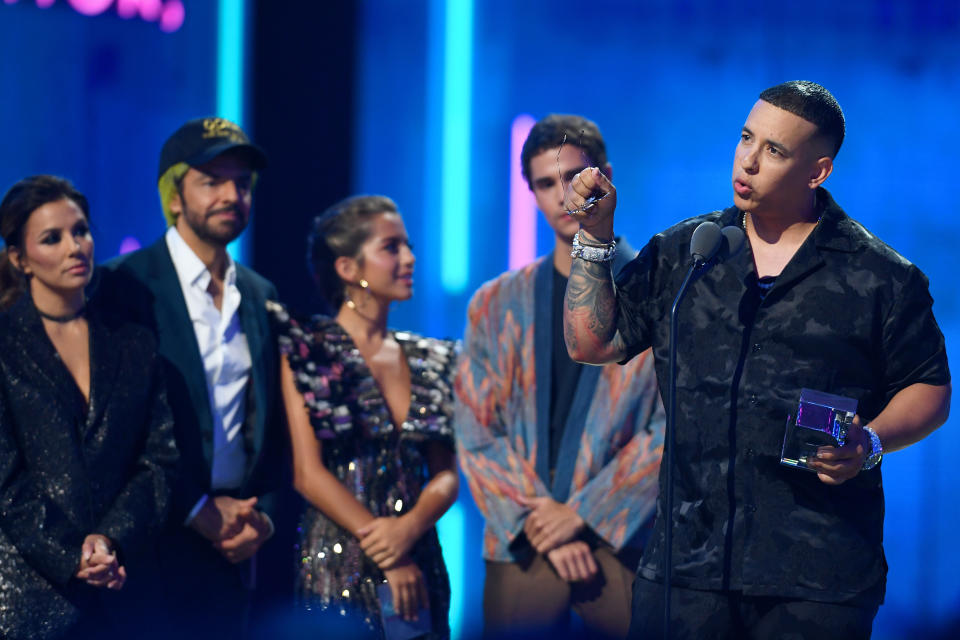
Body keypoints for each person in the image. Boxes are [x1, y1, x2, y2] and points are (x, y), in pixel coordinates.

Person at [562, 81, 952, 639]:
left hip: (816, 578)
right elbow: (591, 343)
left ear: (817, 172)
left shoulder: (881, 277)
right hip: (685, 571)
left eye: (774, 150)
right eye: (747, 137)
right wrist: (594, 237)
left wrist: (869, 443)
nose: (748, 159)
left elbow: (930, 389)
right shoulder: (686, 251)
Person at [455, 114, 664, 639]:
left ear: (605, 175)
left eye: (573, 177)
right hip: (523, 540)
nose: (561, 196)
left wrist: (584, 514)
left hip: (622, 541)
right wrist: (540, 516)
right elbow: (476, 427)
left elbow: (675, 426)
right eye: (545, 184)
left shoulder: (658, 291)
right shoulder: (495, 304)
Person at [94, 117, 287, 635]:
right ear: (174, 196)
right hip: (148, 542)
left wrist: (262, 516)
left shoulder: (261, 293)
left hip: (235, 545)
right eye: (212, 181)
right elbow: (110, 429)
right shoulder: (122, 285)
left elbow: (274, 426)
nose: (231, 195)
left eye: (242, 184)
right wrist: (195, 508)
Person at [268, 195, 458, 638]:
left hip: (420, 555)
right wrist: (387, 548)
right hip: (341, 559)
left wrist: (408, 531)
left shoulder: (428, 357)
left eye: (407, 246)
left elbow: (446, 475)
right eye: (391, 247)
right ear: (348, 269)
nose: (409, 258)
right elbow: (307, 473)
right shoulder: (308, 348)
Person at [0, 175, 178, 639]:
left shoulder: (133, 342)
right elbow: (5, 481)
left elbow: (158, 459)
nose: (74, 246)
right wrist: (70, 554)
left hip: (127, 588)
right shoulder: (3, 345)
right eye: (52, 238)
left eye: (80, 231)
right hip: (30, 598)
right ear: (20, 259)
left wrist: (108, 540)